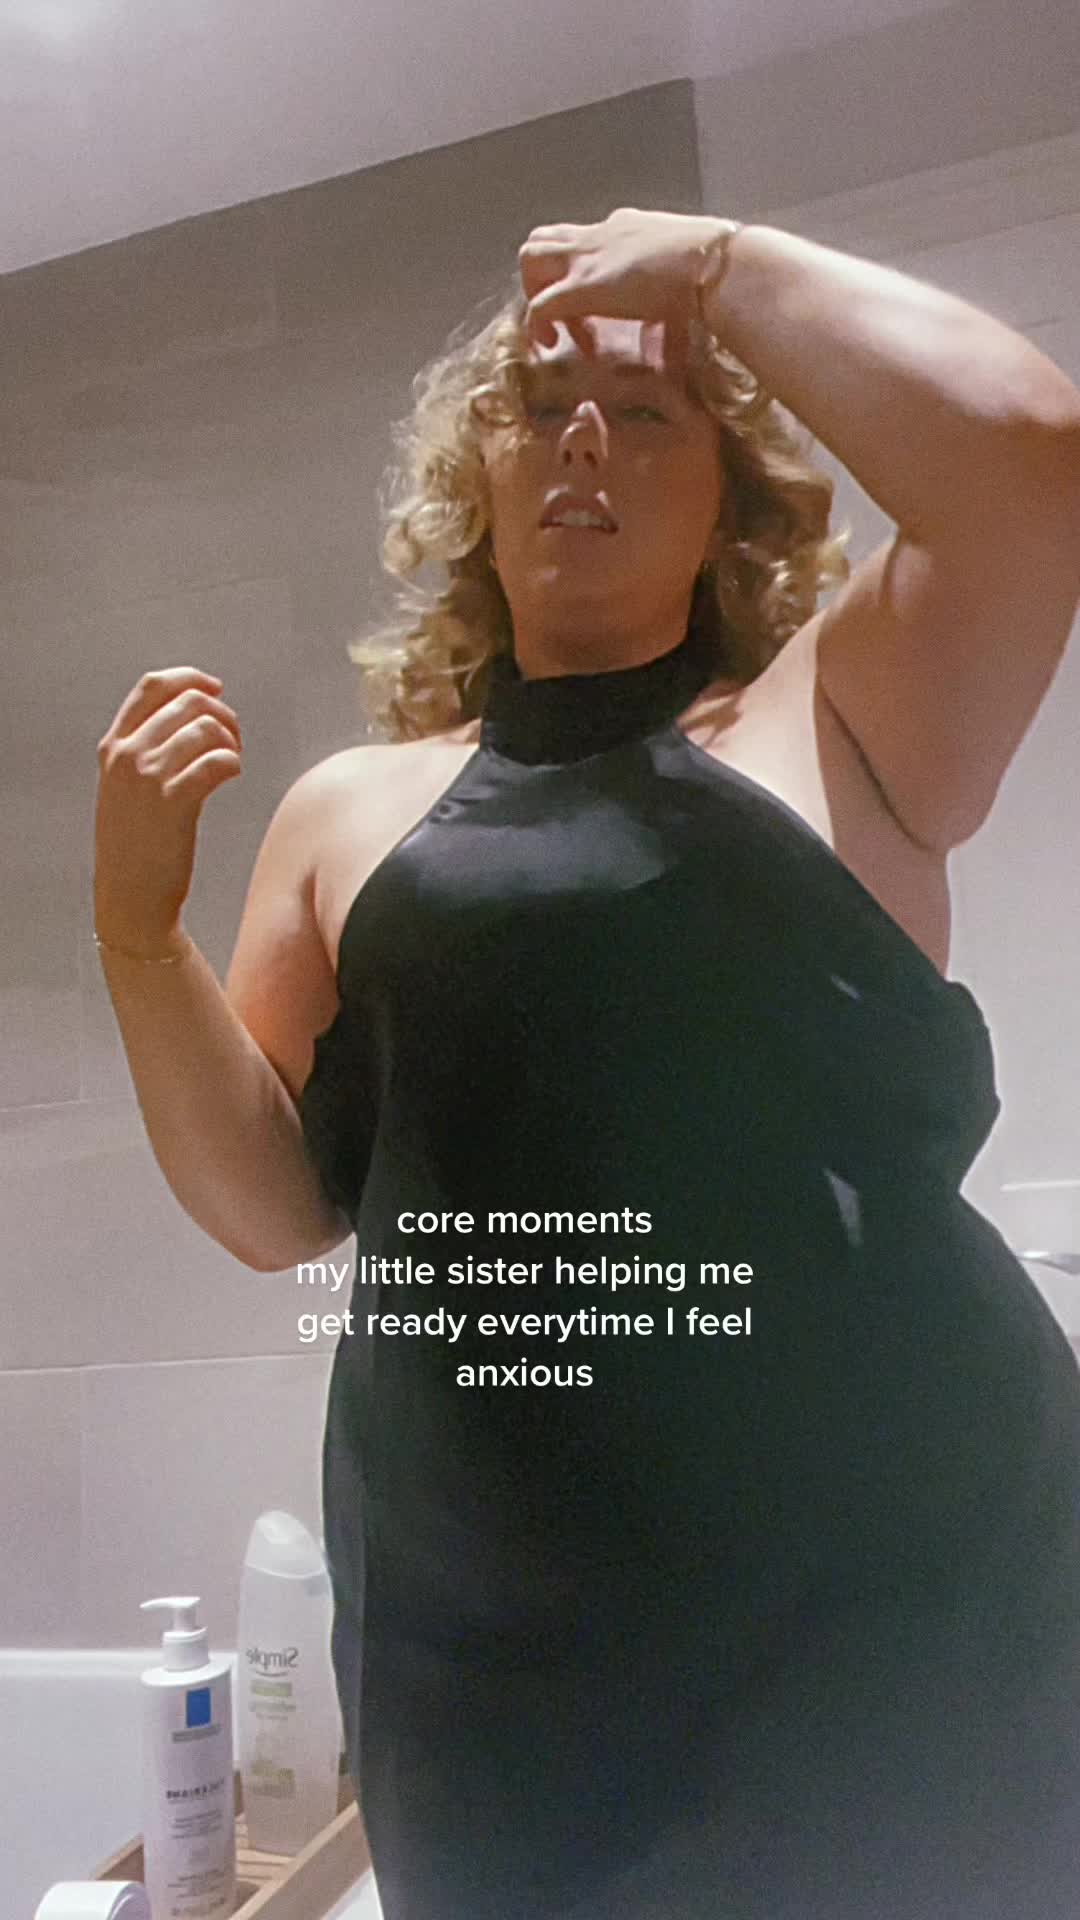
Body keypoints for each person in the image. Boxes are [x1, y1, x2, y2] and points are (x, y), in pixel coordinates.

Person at [94, 209, 1080, 1918]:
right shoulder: (350, 809)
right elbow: (271, 1209)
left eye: (646, 415)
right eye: (541, 408)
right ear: (475, 476)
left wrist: (714, 267)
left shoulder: (836, 716)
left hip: (900, 1615)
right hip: (485, 1655)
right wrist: (133, 935)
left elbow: (1029, 453)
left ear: (729, 495)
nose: (582, 444)